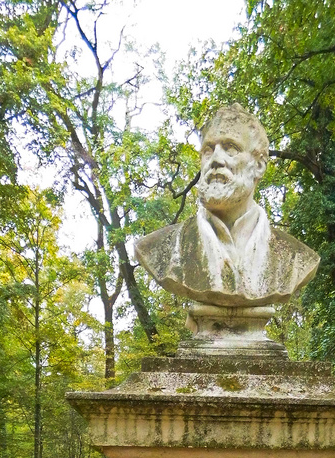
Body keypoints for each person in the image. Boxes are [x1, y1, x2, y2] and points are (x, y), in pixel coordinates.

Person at [134, 104, 319, 308]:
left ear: (259, 165)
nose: (215, 160)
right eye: (208, 150)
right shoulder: (162, 249)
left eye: (231, 148)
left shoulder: (294, 258)